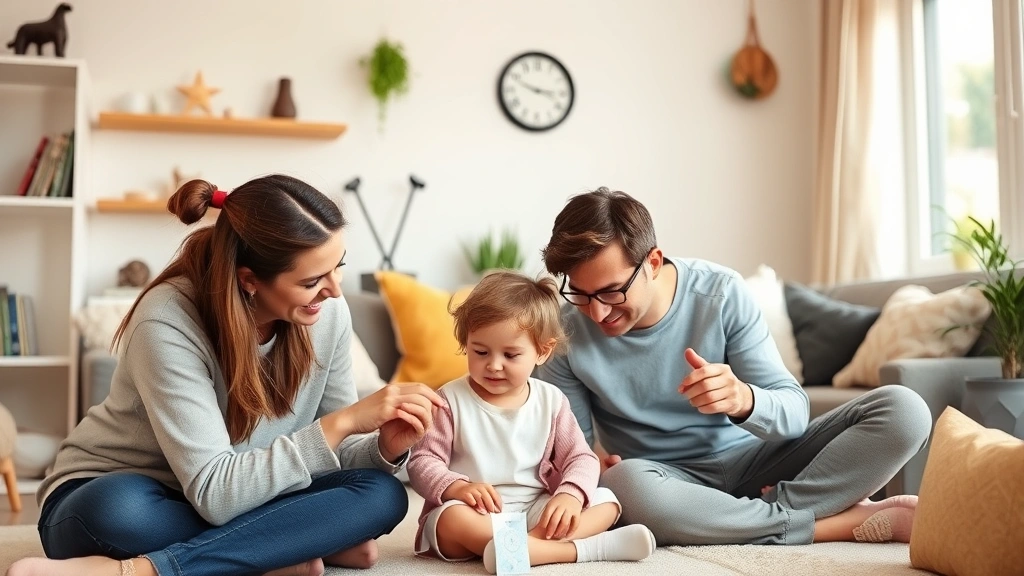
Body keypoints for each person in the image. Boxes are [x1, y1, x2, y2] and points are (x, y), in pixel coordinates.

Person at [8, 175, 444, 576]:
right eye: (313, 280)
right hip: (127, 492)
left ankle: (191, 562)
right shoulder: (166, 321)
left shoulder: (327, 314)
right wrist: (343, 422)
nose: (334, 290)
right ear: (250, 280)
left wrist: (384, 449)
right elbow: (215, 493)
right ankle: (264, 550)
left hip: (248, 494)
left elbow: (335, 458)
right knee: (119, 513)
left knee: (382, 494)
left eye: (338, 266)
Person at [535, 187, 931, 546]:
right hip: (664, 481)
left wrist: (744, 399)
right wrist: (592, 468)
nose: (598, 312)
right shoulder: (564, 333)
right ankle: (827, 523)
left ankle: (771, 514)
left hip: (762, 463)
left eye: (611, 291)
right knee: (624, 484)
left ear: (653, 262)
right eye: (581, 294)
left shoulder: (721, 293)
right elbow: (572, 452)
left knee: (905, 410)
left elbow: (794, 414)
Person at [407, 271, 656, 574]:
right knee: (451, 521)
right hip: (476, 515)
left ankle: (520, 548)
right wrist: (455, 488)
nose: (494, 365)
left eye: (511, 355)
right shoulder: (448, 400)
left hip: (534, 510)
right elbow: (422, 461)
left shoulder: (551, 401)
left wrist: (569, 495)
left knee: (607, 501)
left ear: (542, 351)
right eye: (480, 351)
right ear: (466, 343)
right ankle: (580, 550)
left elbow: (581, 457)